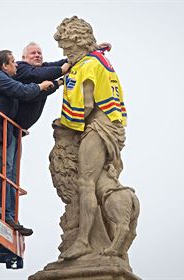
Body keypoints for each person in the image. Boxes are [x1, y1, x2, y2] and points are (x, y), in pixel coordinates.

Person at [53, 16, 127, 260]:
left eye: (68, 48)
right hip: (113, 125)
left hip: (98, 127)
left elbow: (84, 105)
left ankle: (83, 241)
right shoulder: (101, 60)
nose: (66, 53)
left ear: (79, 44)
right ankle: (101, 237)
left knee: (85, 183)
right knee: (98, 184)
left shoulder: (86, 65)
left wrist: (65, 124)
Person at [0, 50, 53, 236]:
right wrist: (40, 86)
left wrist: (54, 83)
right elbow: (22, 91)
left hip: (1, 135)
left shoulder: (4, 80)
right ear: (4, 65)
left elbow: (26, 95)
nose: (16, 65)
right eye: (13, 62)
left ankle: (3, 216)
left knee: (4, 176)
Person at [4, 42, 70, 225]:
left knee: (12, 172)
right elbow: (41, 76)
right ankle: (5, 211)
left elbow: (56, 65)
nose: (37, 56)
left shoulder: (40, 69)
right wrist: (61, 73)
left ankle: (10, 213)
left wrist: (87, 51)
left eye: (40, 53)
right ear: (23, 57)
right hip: (7, 128)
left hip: (16, 131)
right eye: (33, 53)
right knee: (6, 170)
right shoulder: (23, 70)